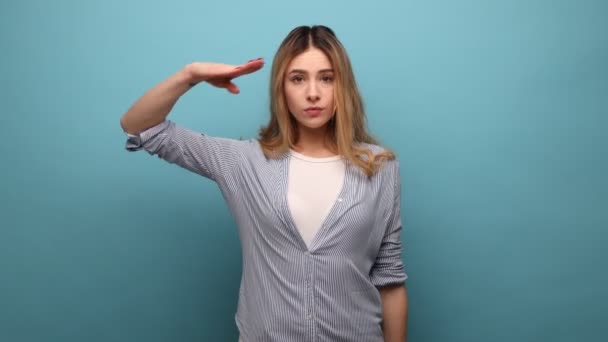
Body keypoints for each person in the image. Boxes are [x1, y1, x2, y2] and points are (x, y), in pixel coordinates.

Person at [120, 25, 408, 342]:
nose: (313, 92)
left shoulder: (379, 167)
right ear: (281, 89)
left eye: (327, 78)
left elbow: (389, 278)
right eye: (298, 79)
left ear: (344, 86)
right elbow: (138, 126)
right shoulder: (244, 162)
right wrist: (191, 74)